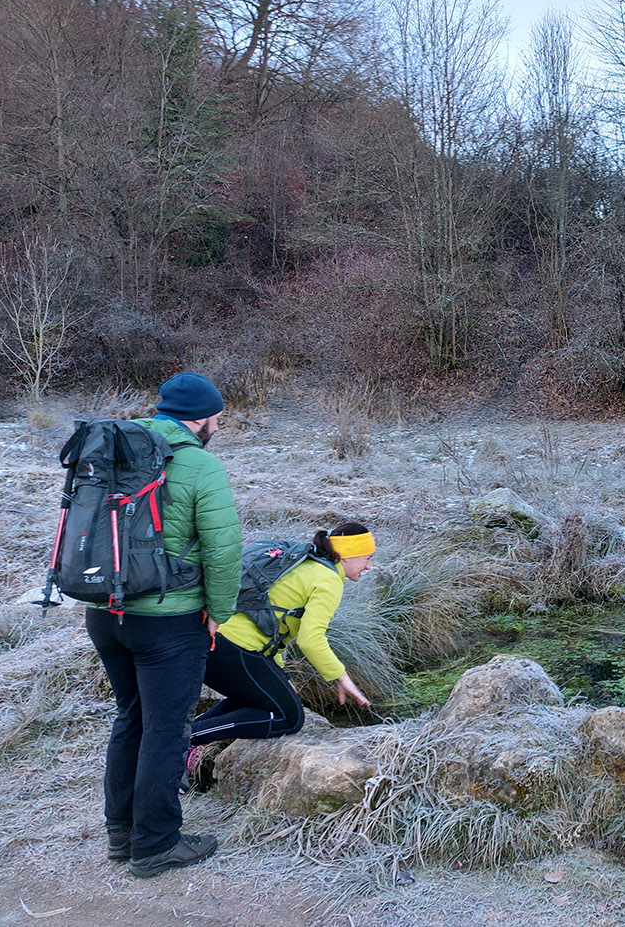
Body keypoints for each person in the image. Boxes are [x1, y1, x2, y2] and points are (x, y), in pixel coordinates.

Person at [84, 372, 242, 878]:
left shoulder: (115, 448)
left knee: (130, 716)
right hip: (168, 622)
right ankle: (155, 845)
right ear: (201, 418)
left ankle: (122, 832)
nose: (218, 427)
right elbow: (223, 550)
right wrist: (219, 611)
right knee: (167, 729)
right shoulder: (200, 465)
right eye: (217, 418)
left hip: (105, 613)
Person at [189, 523, 374, 755]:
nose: (369, 566)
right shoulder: (329, 580)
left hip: (213, 640)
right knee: (288, 717)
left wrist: (281, 676)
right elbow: (310, 640)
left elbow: (275, 626)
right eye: (367, 558)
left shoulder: (307, 563)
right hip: (231, 648)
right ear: (347, 555)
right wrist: (341, 676)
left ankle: (182, 734)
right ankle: (185, 739)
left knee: (266, 697)